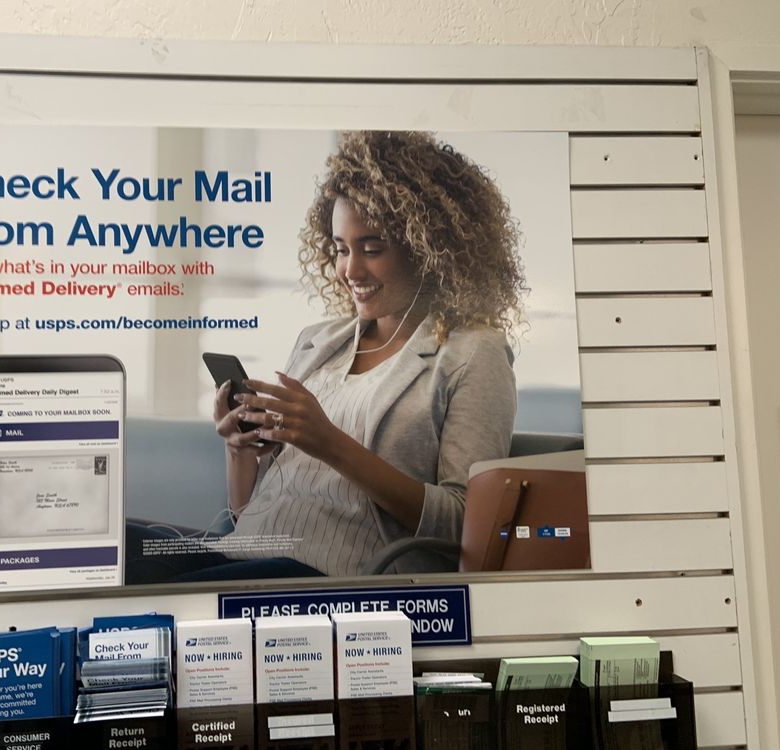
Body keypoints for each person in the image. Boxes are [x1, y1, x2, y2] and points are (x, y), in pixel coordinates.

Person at [124, 130, 524, 584]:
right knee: (111, 547)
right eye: (341, 249)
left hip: (339, 577)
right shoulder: (317, 343)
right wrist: (239, 449)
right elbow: (246, 515)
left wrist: (329, 442)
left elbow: (466, 524)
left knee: (162, 598)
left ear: (428, 247)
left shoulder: (473, 354)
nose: (350, 270)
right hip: (247, 555)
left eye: (372, 249)